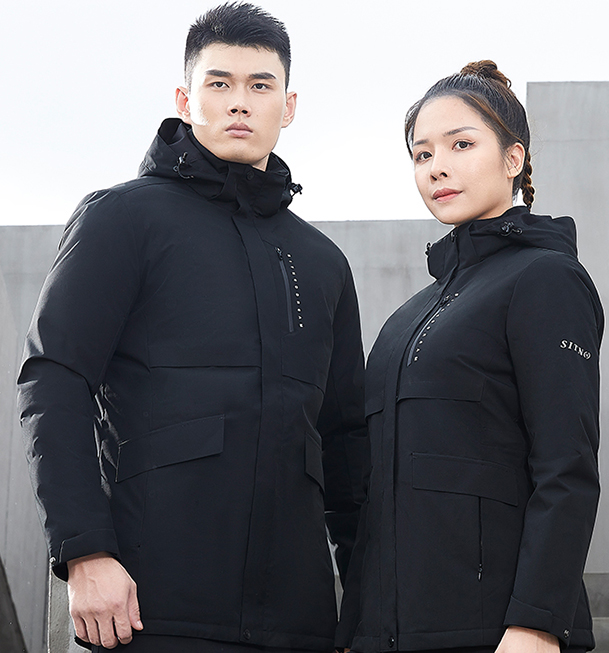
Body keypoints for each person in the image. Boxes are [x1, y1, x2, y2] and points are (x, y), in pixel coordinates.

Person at [17, 4, 367, 652]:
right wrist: (85, 550)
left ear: (288, 106)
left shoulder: (323, 262)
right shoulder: (121, 218)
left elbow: (347, 446)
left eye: (260, 85)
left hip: (299, 624)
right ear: (184, 99)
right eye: (219, 82)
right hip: (146, 610)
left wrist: (364, 604)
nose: (240, 102)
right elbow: (54, 379)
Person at [336, 61, 603, 653]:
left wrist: (537, 623)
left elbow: (567, 467)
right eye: (422, 154)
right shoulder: (407, 318)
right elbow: (373, 495)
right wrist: (355, 627)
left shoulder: (546, 279)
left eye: (461, 144)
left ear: (513, 159)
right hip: (389, 635)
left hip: (497, 633)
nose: (437, 167)